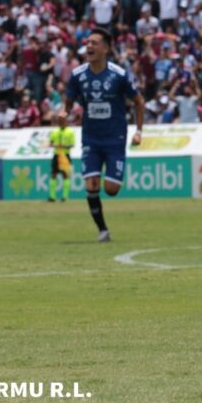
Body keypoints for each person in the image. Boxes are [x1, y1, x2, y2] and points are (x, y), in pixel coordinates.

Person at [65, 28, 144, 243]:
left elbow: (139, 102)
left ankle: (104, 223)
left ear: (106, 48)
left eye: (94, 43)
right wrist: (65, 112)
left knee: (111, 189)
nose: (89, 46)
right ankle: (102, 231)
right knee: (91, 185)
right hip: (90, 138)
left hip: (115, 139)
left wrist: (138, 132)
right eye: (87, 42)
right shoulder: (78, 75)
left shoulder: (119, 75)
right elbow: (69, 100)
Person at [49, 111, 75, 203]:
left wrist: (63, 146)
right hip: (57, 155)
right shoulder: (55, 131)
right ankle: (52, 197)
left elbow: (72, 144)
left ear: (66, 121)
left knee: (65, 175)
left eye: (62, 120)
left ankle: (65, 197)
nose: (61, 121)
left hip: (65, 155)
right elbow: (51, 143)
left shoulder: (70, 132)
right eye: (59, 120)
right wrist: (54, 145)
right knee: (53, 174)